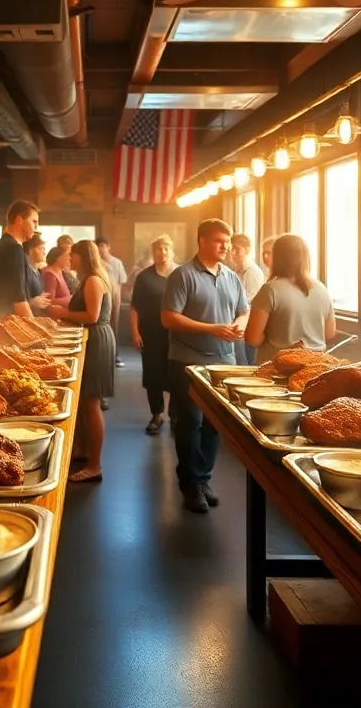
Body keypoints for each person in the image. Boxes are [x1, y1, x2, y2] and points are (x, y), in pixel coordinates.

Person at [162, 219, 249, 514]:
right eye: (218, 241)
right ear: (201, 241)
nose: (226, 246)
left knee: (214, 424)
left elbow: (244, 310)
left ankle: (203, 478)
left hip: (225, 362)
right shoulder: (182, 275)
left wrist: (239, 325)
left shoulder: (231, 277)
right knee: (190, 423)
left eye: (228, 241)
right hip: (188, 361)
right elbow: (169, 318)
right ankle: (190, 484)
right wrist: (211, 329)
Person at [47, 239, 114, 483]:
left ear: (82, 257)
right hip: (94, 339)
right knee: (86, 401)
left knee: (91, 403)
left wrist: (62, 313)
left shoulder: (94, 280)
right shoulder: (87, 279)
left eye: (72, 255)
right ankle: (84, 451)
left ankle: (95, 465)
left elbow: (92, 315)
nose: (69, 259)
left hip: (97, 340)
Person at [245, 233, 336, 364]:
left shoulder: (269, 290)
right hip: (314, 367)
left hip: (276, 368)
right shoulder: (321, 288)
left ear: (277, 257)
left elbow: (252, 338)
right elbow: (329, 333)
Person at [129, 234, 176, 435]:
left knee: (176, 375)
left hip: (176, 335)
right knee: (153, 375)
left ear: (172, 251)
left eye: (166, 248)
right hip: (150, 333)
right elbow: (134, 307)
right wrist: (134, 332)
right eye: (158, 249)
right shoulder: (144, 277)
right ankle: (157, 414)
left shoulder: (181, 274)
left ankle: (176, 415)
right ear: (153, 252)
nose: (162, 252)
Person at [0, 201, 49, 318]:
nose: (36, 227)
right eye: (34, 222)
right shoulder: (13, 249)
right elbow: (18, 300)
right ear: (19, 220)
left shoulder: (3, 245)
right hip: (6, 323)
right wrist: (34, 332)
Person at [230, 233, 266, 366]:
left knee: (246, 361)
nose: (233, 253)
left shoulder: (252, 272)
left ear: (247, 249)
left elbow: (250, 302)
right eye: (232, 249)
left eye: (237, 249)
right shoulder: (235, 271)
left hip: (248, 324)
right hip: (238, 322)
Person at [96, 237, 128, 370]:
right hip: (102, 298)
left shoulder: (117, 263)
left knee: (114, 327)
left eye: (103, 246)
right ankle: (103, 356)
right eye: (98, 247)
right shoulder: (97, 263)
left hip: (114, 297)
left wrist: (118, 304)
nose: (101, 249)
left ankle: (115, 355)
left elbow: (119, 285)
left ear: (108, 247)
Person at [23, 234, 47, 314]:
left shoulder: (38, 271)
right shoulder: (24, 271)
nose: (44, 253)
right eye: (41, 249)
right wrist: (31, 302)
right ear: (30, 250)